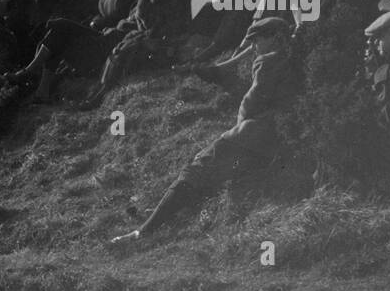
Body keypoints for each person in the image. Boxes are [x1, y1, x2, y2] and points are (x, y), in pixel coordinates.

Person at [111, 16, 296, 243]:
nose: (254, 47)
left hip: (257, 134)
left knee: (198, 168)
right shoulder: (293, 57)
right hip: (283, 137)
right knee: (214, 173)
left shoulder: (267, 61)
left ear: (274, 38)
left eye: (258, 41)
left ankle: (144, 231)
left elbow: (252, 102)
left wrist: (240, 124)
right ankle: (167, 217)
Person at [79, 0, 191, 109]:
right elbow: (141, 19)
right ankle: (101, 90)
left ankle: (102, 94)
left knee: (126, 49)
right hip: (148, 36)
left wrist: (146, 34)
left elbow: (173, 24)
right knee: (119, 47)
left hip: (167, 42)